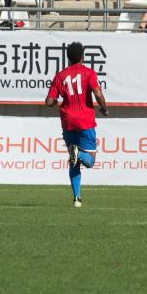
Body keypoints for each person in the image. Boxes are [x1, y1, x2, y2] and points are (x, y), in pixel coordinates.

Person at [45, 41, 108, 208]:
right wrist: (104, 108)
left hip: (67, 122)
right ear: (83, 56)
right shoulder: (89, 72)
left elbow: (49, 101)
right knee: (90, 161)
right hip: (85, 121)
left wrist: (56, 102)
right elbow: (97, 93)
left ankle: (77, 198)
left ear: (68, 58)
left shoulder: (60, 76)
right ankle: (79, 154)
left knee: (73, 162)